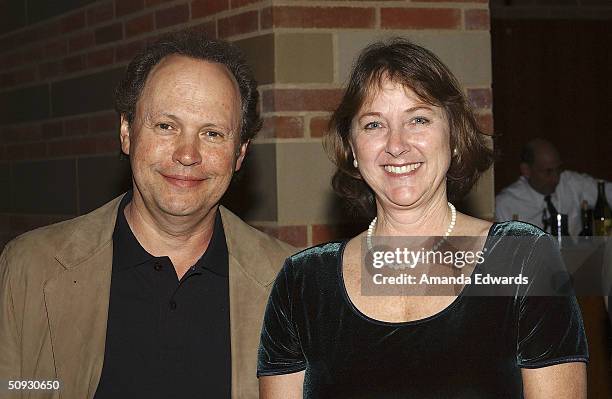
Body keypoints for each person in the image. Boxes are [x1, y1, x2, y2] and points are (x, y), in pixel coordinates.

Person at [257, 38, 588, 398]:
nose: (397, 144)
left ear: (455, 136)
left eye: (418, 119)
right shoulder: (303, 284)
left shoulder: (521, 258)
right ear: (352, 149)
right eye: (373, 124)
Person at [0, 30, 294, 398]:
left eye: (213, 133)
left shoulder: (291, 285)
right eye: (166, 126)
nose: (187, 154)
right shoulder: (30, 268)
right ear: (126, 132)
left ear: (240, 153)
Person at [495, 138, 612, 235]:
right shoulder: (506, 204)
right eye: (548, 171)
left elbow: (608, 192)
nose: (556, 178)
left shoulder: (571, 183)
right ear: (526, 170)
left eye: (558, 169)